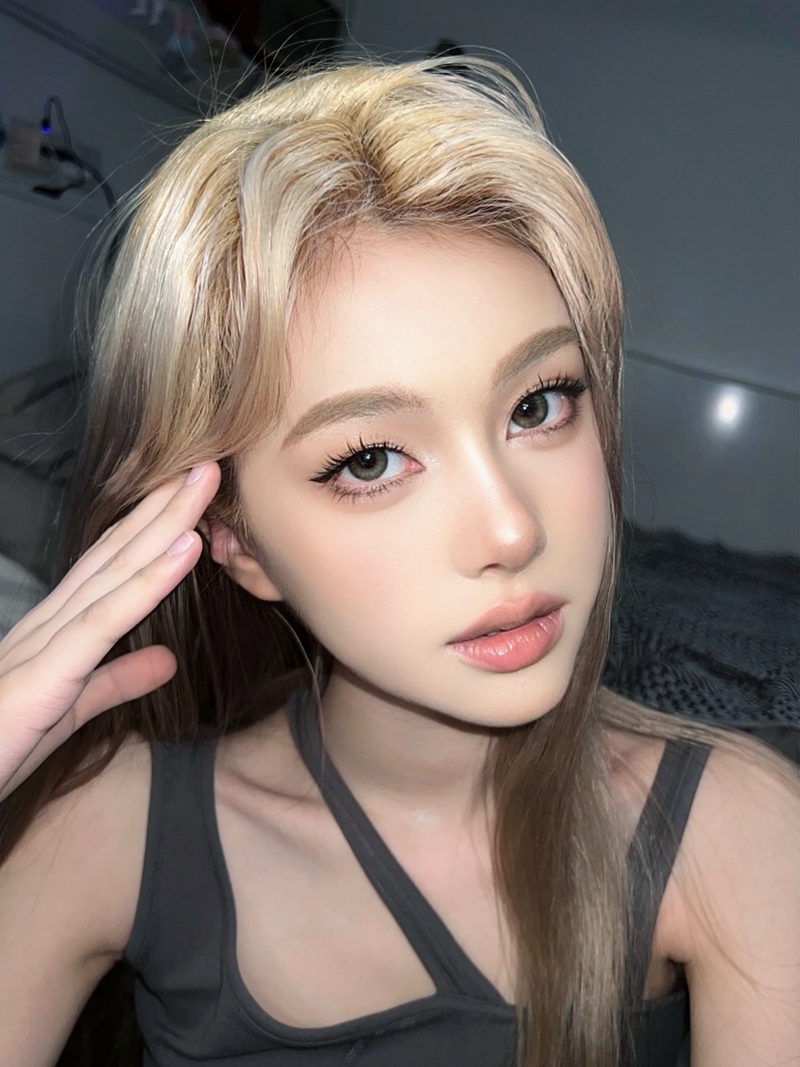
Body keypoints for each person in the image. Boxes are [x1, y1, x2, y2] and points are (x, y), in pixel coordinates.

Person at [0, 58, 797, 1067]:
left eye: (539, 403)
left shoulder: (736, 828)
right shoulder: (106, 824)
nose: (510, 531)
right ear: (236, 541)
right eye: (370, 460)